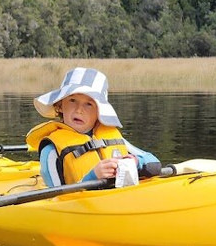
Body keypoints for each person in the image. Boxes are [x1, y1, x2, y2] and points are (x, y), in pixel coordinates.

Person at [27, 67, 159, 186]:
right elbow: (55, 198)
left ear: (99, 111)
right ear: (60, 106)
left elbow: (154, 162)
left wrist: (135, 161)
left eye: (89, 104)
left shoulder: (112, 136)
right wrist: (93, 176)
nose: (79, 110)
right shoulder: (50, 151)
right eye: (72, 100)